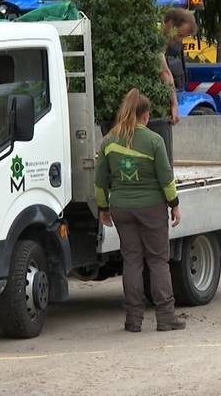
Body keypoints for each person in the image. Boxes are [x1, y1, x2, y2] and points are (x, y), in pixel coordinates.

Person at [95, 88, 185, 332]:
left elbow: (100, 180)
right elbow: (166, 179)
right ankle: (165, 316)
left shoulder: (109, 141)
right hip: (151, 208)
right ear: (145, 116)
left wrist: (103, 208)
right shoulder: (154, 140)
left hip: (121, 208)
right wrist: (174, 205)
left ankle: (133, 320)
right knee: (157, 261)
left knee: (132, 261)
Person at [160, 8, 197, 124]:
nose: (179, 40)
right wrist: (174, 104)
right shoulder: (156, 41)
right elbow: (164, 72)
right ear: (170, 24)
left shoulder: (162, 45)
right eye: (180, 35)